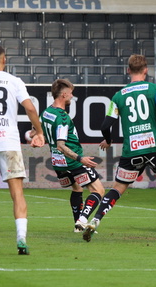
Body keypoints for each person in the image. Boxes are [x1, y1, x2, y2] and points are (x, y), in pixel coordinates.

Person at [83, 54, 156, 244]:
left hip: (132, 150)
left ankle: (95, 220)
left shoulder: (118, 96)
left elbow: (105, 126)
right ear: (146, 70)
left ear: (128, 70)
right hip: (154, 147)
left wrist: (108, 139)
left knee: (117, 189)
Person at [0, 45, 45, 255]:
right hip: (8, 142)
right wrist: (39, 132)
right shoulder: (14, 81)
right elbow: (29, 107)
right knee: (17, 193)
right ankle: (21, 238)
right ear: (4, 60)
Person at [40, 79, 105, 233]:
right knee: (98, 191)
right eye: (70, 94)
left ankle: (78, 226)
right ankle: (82, 220)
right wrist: (80, 159)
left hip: (58, 163)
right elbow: (61, 145)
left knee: (77, 189)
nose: (72, 97)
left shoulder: (46, 112)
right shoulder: (62, 118)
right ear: (63, 95)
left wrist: (35, 135)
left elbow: (37, 128)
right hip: (72, 161)